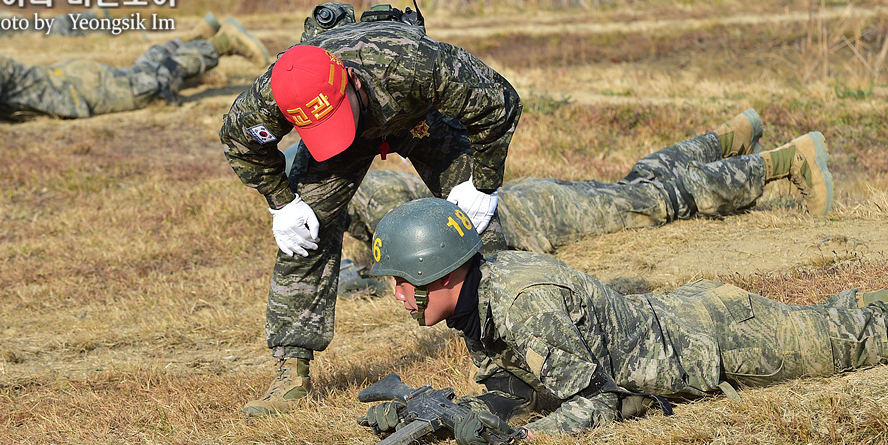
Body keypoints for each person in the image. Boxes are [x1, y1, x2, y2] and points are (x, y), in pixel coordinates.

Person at [359, 196, 888, 445]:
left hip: (715, 340)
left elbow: (596, 404)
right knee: (829, 326)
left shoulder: (524, 304)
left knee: (874, 341)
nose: (394, 294)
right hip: (691, 318)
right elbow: (528, 385)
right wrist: (446, 415)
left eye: (400, 281)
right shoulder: (478, 298)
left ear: (439, 272)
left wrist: (523, 442)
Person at [221, 17, 523, 417]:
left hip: (417, 116)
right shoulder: (271, 95)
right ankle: (290, 372)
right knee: (303, 232)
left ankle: (507, 356)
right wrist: (282, 203)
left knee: (476, 227)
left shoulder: (411, 62)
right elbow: (239, 142)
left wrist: (483, 184)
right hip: (336, 147)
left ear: (354, 83)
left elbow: (498, 101)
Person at [343, 109, 832, 262]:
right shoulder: (359, 195)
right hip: (529, 204)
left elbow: (415, 250)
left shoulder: (372, 195)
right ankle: (729, 138)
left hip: (536, 214)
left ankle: (784, 163)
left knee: (658, 201)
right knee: (638, 185)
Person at [0, 18, 269, 125]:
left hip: (81, 90)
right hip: (70, 80)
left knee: (151, 84)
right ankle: (198, 35)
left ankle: (224, 42)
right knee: (140, 72)